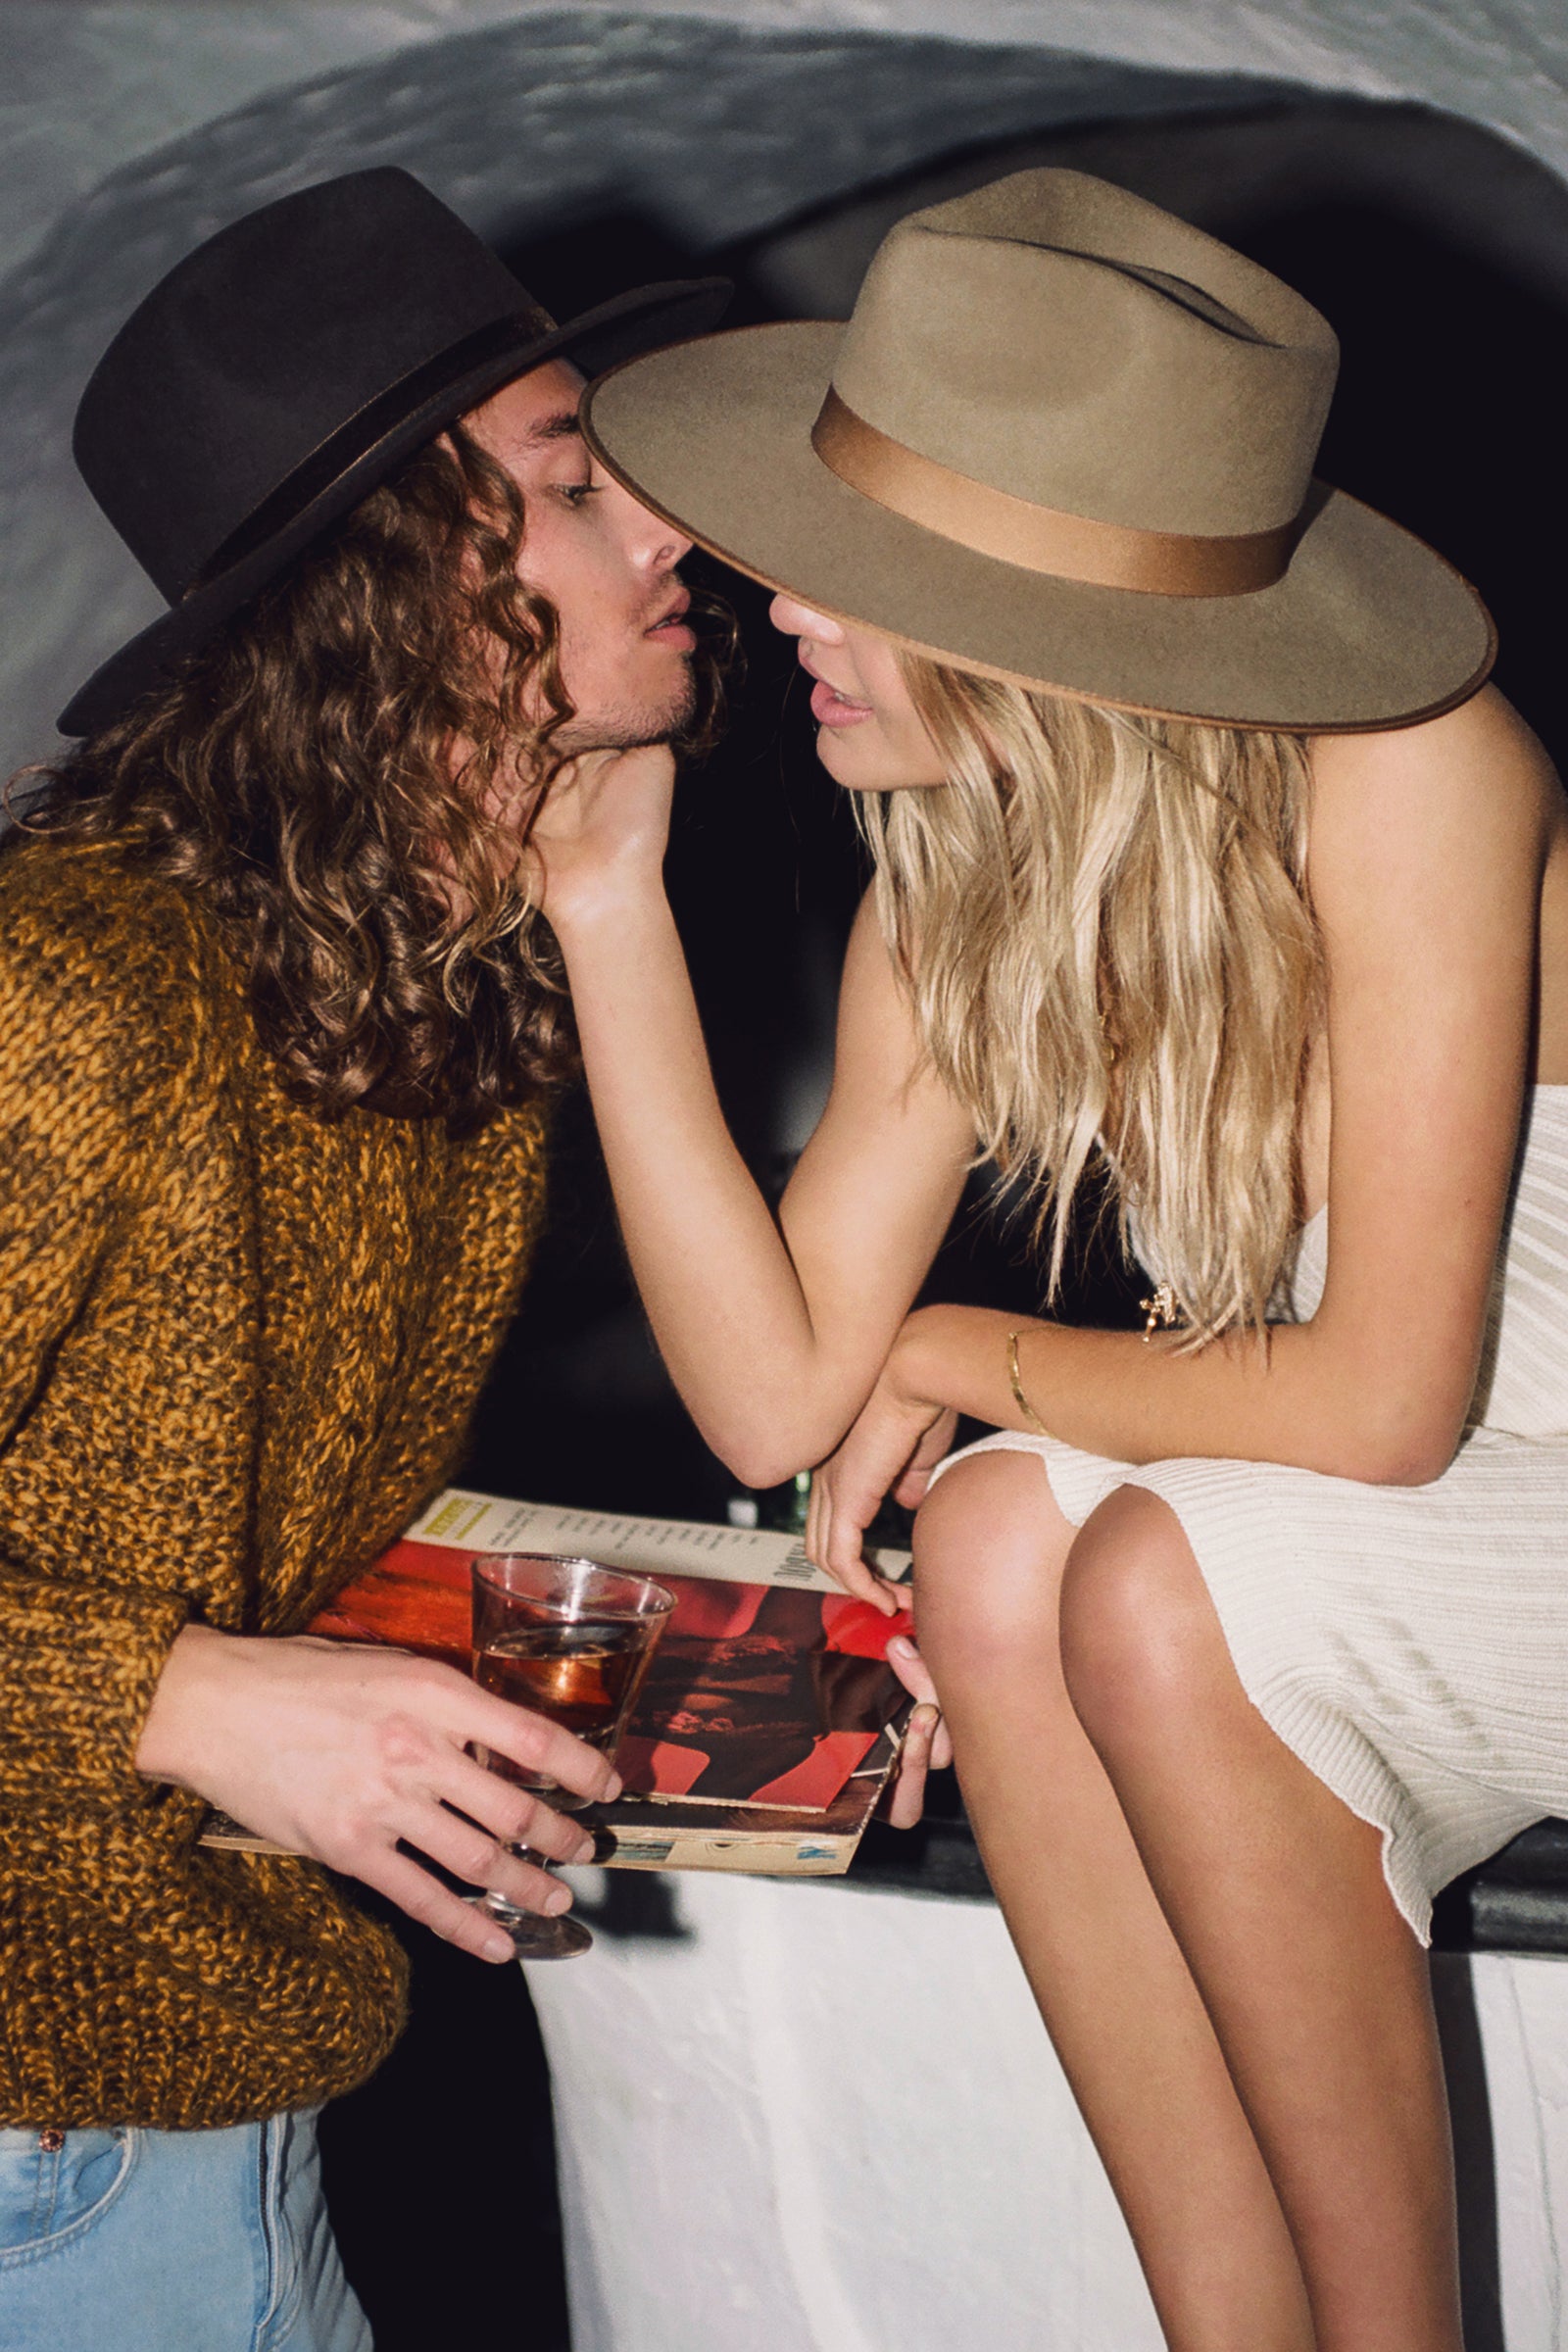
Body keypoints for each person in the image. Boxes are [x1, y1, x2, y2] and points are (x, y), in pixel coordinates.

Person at [522, 169, 1568, 2349]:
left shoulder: (1403, 769)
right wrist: (606, 912)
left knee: (1149, 1574)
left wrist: (967, 1343)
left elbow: (1379, 1401)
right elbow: (774, 1397)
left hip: (1499, 1469)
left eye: (852, 571)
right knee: (992, 1545)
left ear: (1027, 628)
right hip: (1420, 1489)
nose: (767, 596)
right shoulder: (963, 869)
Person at [0, 167, 725, 2350]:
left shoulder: (432, 1015)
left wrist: (768, 1674)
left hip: (220, 2103)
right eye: (580, 487)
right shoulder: (69, 989)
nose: (666, 531)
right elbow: (193, 1654)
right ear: (396, 590)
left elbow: (261, 1540)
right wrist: (178, 1697)